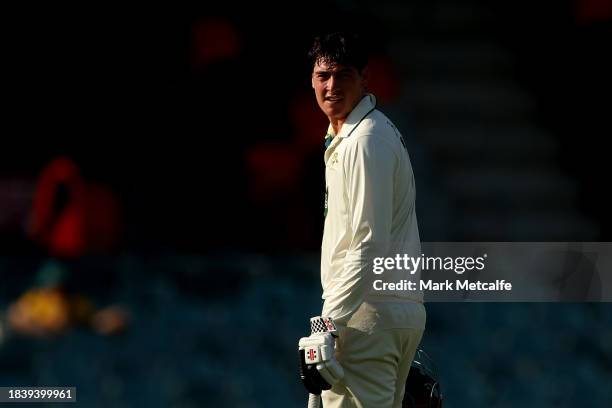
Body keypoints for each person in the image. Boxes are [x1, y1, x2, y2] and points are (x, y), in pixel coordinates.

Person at [306, 32, 426, 408]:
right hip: (391, 310)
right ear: (311, 79)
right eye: (323, 75)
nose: (331, 86)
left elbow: (367, 246)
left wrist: (326, 325)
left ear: (364, 79)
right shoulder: (361, 134)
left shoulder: (364, 140)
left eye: (343, 75)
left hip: (366, 315)